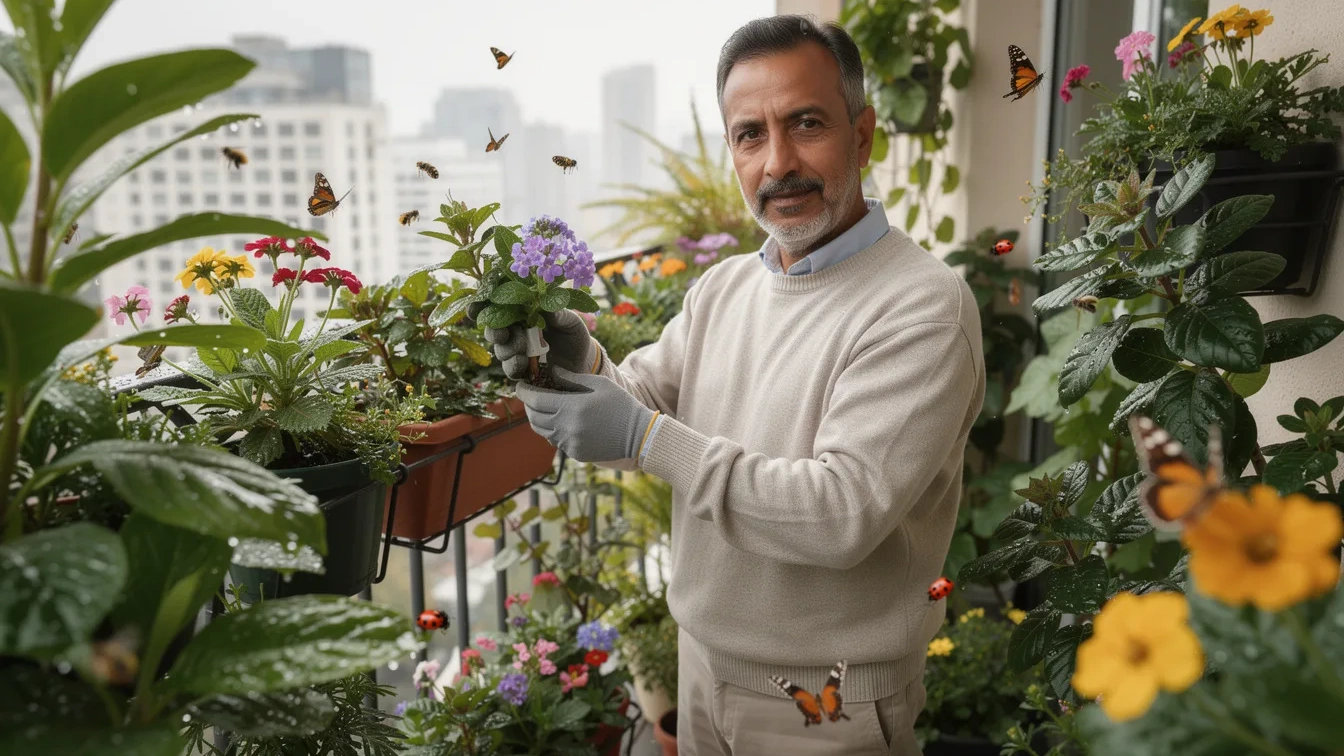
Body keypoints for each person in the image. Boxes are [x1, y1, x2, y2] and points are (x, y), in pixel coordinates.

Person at [485, 14, 984, 755]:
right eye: (750, 134)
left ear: (863, 134)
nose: (778, 162)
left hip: (829, 704)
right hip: (702, 668)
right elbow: (642, 410)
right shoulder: (725, 288)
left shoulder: (922, 306)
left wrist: (642, 435)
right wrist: (575, 360)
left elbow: (840, 513)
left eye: (806, 123)